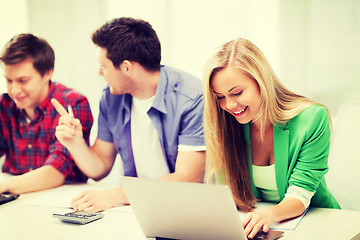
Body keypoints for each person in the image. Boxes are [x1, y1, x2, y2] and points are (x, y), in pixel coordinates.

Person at [52, 17, 206, 212]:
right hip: (136, 208)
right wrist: (75, 142)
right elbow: (99, 167)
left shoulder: (191, 99)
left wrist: (115, 195)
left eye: (104, 66)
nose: (100, 73)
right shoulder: (111, 98)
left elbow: (187, 179)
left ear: (126, 67)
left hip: (184, 208)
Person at [202, 38, 339, 239]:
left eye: (237, 92)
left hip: (317, 224)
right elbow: (230, 194)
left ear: (261, 82)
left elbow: (299, 196)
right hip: (258, 229)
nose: (229, 105)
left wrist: (267, 214)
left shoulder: (311, 119)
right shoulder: (228, 125)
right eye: (220, 97)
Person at [0, 33, 93, 194]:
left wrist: (5, 186)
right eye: (9, 80)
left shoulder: (73, 103)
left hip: (60, 199)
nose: (14, 90)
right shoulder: (5, 104)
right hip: (15, 198)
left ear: (47, 73)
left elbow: (57, 171)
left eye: (22, 80)